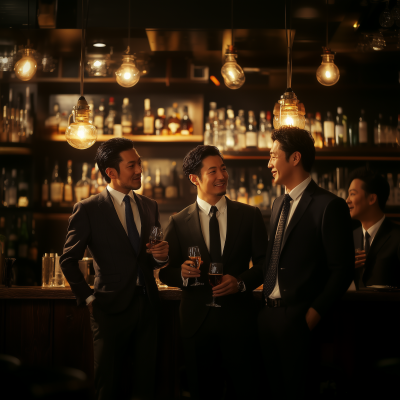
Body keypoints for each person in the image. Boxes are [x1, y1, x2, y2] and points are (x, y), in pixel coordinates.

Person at [60, 138, 169, 400]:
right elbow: (67, 260)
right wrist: (87, 298)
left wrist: (161, 257)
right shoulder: (88, 209)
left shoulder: (149, 205)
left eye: (139, 163)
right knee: (107, 385)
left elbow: (150, 258)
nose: (140, 170)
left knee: (146, 385)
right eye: (132, 165)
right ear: (111, 172)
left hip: (148, 305)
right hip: (108, 308)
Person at [159, 145, 267, 400]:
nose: (222, 175)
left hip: (240, 322)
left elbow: (265, 265)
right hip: (197, 324)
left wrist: (240, 283)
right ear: (194, 178)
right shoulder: (178, 221)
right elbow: (165, 273)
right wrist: (182, 273)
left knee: (246, 391)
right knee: (203, 392)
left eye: (223, 169)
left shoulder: (250, 215)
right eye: (213, 171)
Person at [258, 126, 354, 399]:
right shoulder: (278, 203)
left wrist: (312, 315)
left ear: (295, 158)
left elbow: (342, 269)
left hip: (299, 318)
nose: (269, 163)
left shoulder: (329, 205)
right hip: (267, 317)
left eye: (274, 156)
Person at [347, 167, 400, 289]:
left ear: (372, 198)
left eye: (352, 194)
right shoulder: (349, 238)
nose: (347, 200)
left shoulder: (397, 237)